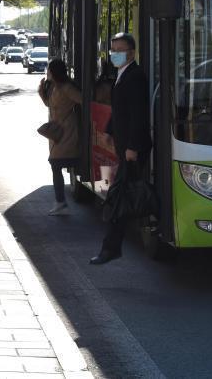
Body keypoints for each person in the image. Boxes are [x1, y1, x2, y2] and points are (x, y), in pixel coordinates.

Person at [90, 33, 152, 265]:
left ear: (132, 53)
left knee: (120, 197)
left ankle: (111, 247)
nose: (114, 53)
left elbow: (138, 115)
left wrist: (133, 147)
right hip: (125, 146)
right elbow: (119, 111)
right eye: (112, 49)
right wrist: (108, 131)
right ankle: (147, 223)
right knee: (126, 195)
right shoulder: (121, 75)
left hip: (132, 149)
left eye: (120, 49)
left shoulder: (135, 76)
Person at [38, 59, 82, 216]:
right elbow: (51, 105)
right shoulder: (55, 87)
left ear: (54, 72)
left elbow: (83, 99)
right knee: (57, 163)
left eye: (49, 70)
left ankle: (61, 202)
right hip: (58, 133)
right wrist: (42, 92)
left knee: (55, 163)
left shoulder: (66, 88)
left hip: (68, 132)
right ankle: (60, 201)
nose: (47, 72)